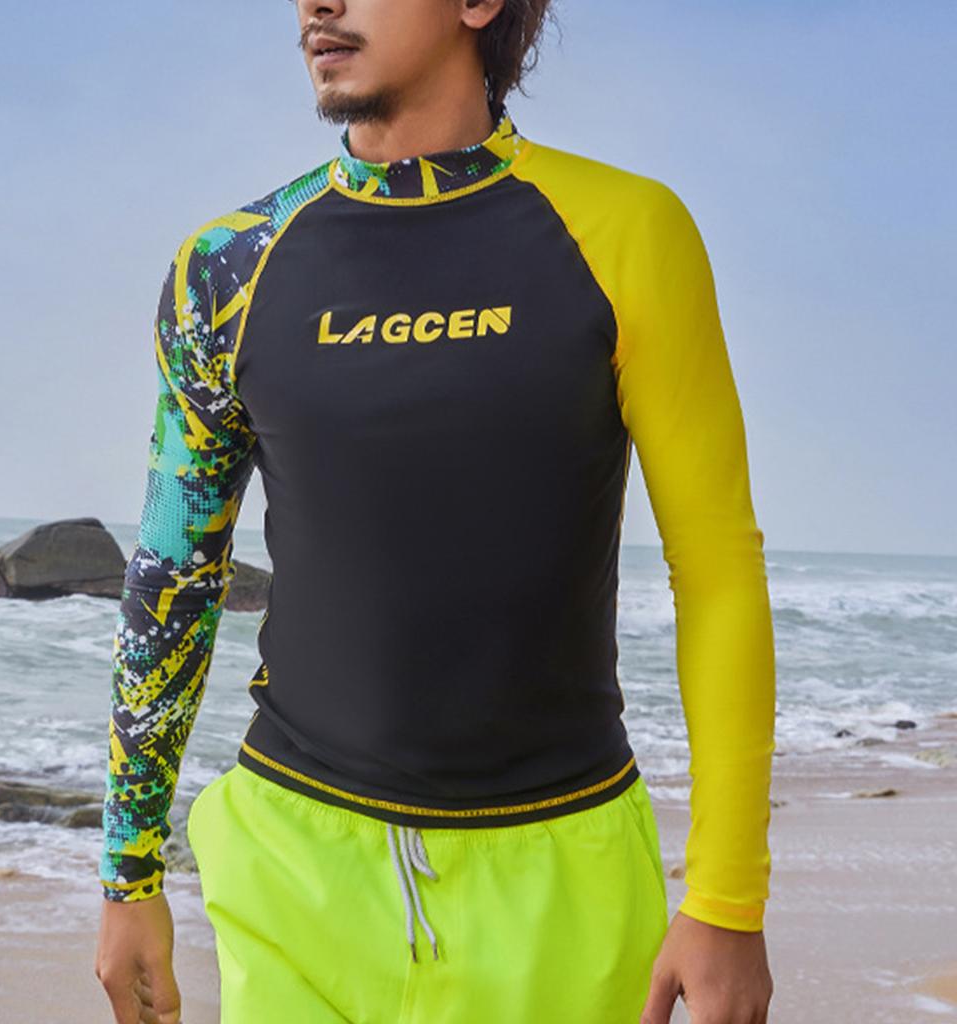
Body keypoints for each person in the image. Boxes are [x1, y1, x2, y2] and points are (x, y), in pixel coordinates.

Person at [94, 0, 777, 1021]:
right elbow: (171, 582)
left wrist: (726, 897)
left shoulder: (629, 232)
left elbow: (716, 572)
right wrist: (128, 877)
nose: (317, 5)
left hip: (560, 876)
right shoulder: (229, 266)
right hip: (292, 868)